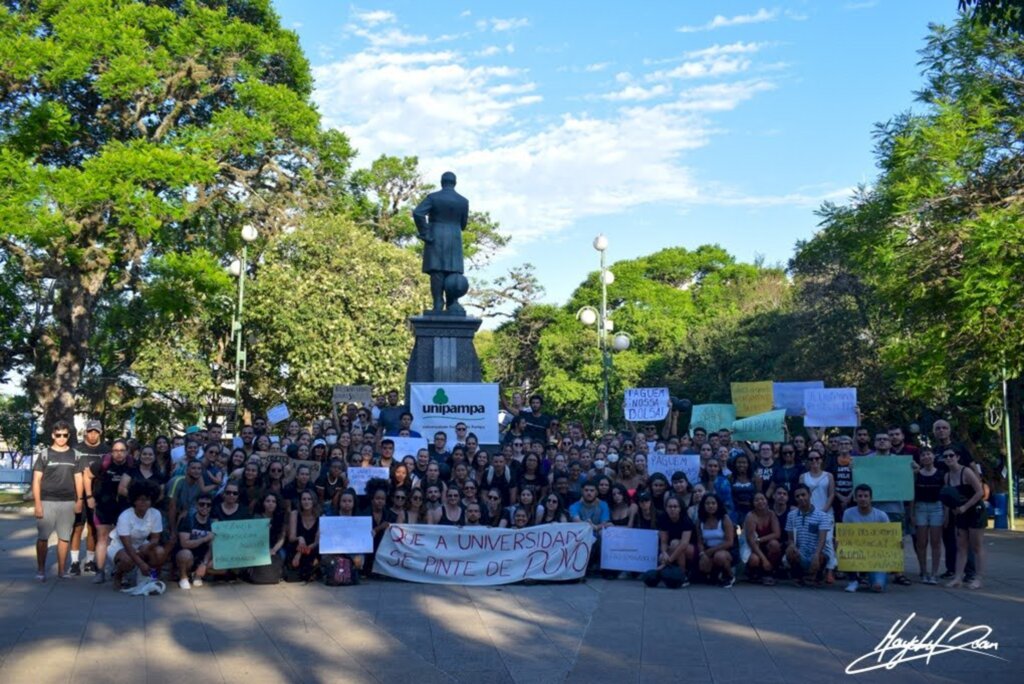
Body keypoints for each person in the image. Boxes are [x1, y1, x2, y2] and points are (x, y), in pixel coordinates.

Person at [412, 170, 469, 313]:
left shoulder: (433, 197)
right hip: (454, 238)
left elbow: (418, 213)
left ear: (442, 182)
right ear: (454, 183)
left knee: (437, 272)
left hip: (435, 236)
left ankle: (438, 304)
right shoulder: (463, 201)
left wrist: (425, 232)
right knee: (453, 272)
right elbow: (463, 224)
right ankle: (452, 304)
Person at [32, 421, 83, 581]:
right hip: (47, 501)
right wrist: (38, 504)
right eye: (58, 435)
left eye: (65, 435)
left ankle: (62, 571)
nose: (62, 438)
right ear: (53, 435)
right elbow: (36, 481)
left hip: (68, 502)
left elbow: (79, 479)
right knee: (42, 538)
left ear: (68, 435)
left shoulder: (75, 455)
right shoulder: (44, 454)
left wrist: (79, 500)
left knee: (64, 538)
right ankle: (41, 570)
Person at [86, 438, 135, 584]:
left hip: (124, 506)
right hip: (104, 504)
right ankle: (100, 571)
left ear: (127, 452)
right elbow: (87, 475)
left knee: (123, 539)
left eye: (122, 451)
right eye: (115, 451)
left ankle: (121, 571)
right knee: (103, 538)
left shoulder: (132, 464)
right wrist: (89, 496)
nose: (119, 454)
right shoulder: (103, 463)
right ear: (111, 452)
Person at [107, 481, 166, 590]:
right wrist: (141, 564)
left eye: (147, 499)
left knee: (160, 552)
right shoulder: (125, 516)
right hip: (120, 546)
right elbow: (128, 546)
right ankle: (118, 574)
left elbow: (155, 538)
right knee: (128, 560)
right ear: (134, 500)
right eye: (140, 499)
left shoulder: (155, 513)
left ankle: (151, 577)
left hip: (141, 544)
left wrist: (148, 546)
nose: (143, 503)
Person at [943, 449, 986, 589]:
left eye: (951, 455)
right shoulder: (947, 476)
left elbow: (980, 492)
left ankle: (978, 578)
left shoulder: (966, 472)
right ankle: (958, 577)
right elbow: (949, 498)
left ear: (958, 457)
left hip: (974, 510)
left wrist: (966, 507)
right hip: (960, 512)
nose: (949, 458)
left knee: (976, 546)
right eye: (945, 456)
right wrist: (948, 514)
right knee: (961, 546)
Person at [70, 419, 108, 575]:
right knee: (77, 527)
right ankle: (74, 562)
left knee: (93, 529)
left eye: (96, 432)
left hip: (98, 495)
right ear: (86, 432)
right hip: (79, 495)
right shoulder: (76, 449)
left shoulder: (107, 450)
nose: (93, 435)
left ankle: (90, 561)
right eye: (90, 431)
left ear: (100, 433)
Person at [841, 484, 893, 593]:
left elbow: (890, 537)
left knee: (878, 587)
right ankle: (853, 580)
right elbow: (845, 536)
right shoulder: (848, 513)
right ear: (855, 498)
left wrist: (898, 543)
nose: (863, 499)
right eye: (860, 496)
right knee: (841, 546)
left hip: (876, 556)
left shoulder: (881, 515)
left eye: (866, 496)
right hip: (856, 551)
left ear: (871, 498)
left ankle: (871, 578)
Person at [785, 484, 833, 586]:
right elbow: (790, 538)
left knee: (822, 556)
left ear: (810, 495)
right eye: (797, 496)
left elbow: (822, 539)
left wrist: (816, 554)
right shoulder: (791, 516)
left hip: (816, 552)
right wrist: (792, 545)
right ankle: (798, 576)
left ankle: (817, 575)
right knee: (789, 551)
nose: (801, 498)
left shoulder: (822, 516)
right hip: (800, 553)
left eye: (803, 495)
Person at [912, 447, 944, 584]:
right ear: (920, 458)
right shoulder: (916, 474)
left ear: (933, 456)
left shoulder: (941, 474)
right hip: (920, 507)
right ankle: (923, 571)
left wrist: (946, 513)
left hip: (937, 507)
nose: (926, 457)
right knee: (921, 542)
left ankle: (934, 573)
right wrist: (912, 513)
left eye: (928, 454)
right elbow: (912, 494)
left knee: (936, 542)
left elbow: (945, 496)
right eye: (923, 455)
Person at [176, 492, 214, 590]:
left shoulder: (213, 523)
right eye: (202, 504)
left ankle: (197, 575)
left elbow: (211, 546)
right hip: (187, 555)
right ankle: (183, 577)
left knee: (216, 564)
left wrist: (204, 564)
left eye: (208, 505)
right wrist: (204, 539)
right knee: (185, 554)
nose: (205, 507)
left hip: (202, 557)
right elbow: (184, 543)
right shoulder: (188, 519)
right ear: (196, 505)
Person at [743, 492, 782, 585]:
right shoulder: (750, 516)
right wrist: (764, 559)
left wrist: (760, 539)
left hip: (766, 544)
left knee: (775, 544)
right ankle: (754, 573)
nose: (760, 502)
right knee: (754, 559)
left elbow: (777, 534)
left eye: (762, 499)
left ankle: (771, 572)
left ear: (767, 501)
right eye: (756, 500)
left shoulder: (771, 514)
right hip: (753, 547)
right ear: (753, 503)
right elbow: (751, 541)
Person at [657, 495, 694, 583]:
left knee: (676, 543)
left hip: (691, 548)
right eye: (670, 506)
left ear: (680, 508)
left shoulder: (686, 520)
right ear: (666, 508)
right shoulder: (663, 518)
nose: (672, 509)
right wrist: (664, 552)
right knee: (662, 556)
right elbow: (664, 541)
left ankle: (682, 575)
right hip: (673, 547)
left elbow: (684, 544)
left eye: (675, 506)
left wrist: (668, 561)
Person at [287, 490, 321, 580]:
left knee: (317, 549)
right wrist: (300, 538)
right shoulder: (294, 514)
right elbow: (291, 537)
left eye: (309, 499)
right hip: (297, 545)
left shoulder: (321, 517)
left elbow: (316, 542)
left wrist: (299, 554)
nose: (306, 502)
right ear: (300, 501)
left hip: (311, 548)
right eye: (304, 499)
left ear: (314, 501)